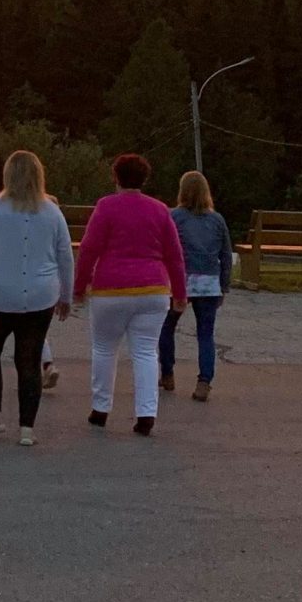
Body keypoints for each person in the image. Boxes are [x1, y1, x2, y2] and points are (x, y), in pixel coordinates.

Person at [0, 149, 74, 444]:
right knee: (29, 360)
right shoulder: (52, 212)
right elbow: (65, 257)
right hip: (39, 296)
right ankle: (26, 429)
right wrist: (66, 295)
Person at [73, 153, 187, 437]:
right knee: (146, 351)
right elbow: (174, 255)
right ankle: (146, 413)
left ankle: (100, 408)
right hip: (153, 289)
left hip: (110, 289)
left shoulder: (106, 206)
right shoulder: (160, 209)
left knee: (104, 348)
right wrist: (180, 292)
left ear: (116, 177)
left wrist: (79, 286)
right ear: (144, 179)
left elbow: (89, 248)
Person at [160, 172, 233, 401]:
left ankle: (167, 372)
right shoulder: (217, 220)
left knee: (167, 326)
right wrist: (224, 285)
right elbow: (226, 254)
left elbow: (165, 248)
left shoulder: (174, 217)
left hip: (180, 281)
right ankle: (204, 381)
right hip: (209, 283)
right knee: (205, 334)